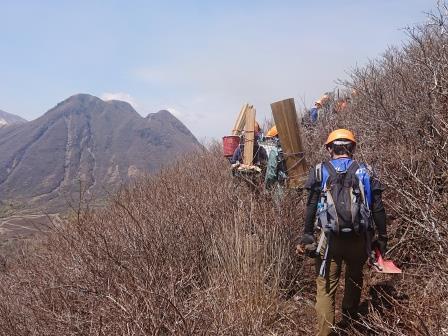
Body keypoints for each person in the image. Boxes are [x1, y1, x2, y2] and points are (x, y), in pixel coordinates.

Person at [299, 129, 387, 336]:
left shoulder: (320, 171)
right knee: (354, 278)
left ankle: (325, 333)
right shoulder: (366, 170)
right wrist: (382, 238)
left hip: (329, 240)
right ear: (353, 148)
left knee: (326, 288)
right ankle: (350, 322)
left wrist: (307, 233)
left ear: (329, 149)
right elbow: (378, 208)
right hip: (359, 239)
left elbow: (311, 205)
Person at [264, 125, 287, 190]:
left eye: (273, 138)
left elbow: (271, 175)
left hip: (281, 187)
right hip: (295, 187)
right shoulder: (291, 148)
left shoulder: (275, 151)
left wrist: (267, 188)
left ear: (276, 137)